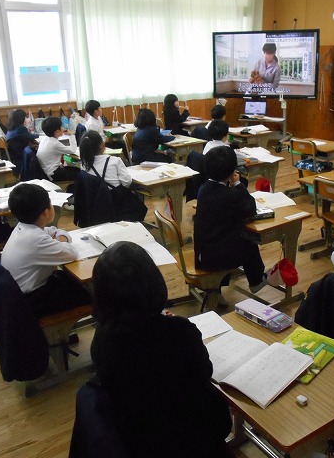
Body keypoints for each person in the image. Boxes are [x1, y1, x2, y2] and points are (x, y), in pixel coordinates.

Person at [90, 241, 233, 457]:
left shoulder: (101, 339)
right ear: (153, 283)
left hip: (137, 438)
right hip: (192, 435)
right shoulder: (180, 332)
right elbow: (204, 372)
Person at [0, 183, 89, 318]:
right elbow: (72, 253)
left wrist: (59, 239)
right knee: (89, 292)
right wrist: (61, 241)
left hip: (19, 294)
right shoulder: (35, 239)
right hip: (32, 300)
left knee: (68, 279)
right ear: (46, 212)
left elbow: (53, 231)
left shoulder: (24, 227)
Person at [194, 146, 266, 295]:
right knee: (248, 240)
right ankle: (256, 281)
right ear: (231, 171)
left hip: (202, 251)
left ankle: (216, 291)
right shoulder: (231, 195)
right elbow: (250, 207)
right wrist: (238, 184)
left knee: (227, 236)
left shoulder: (203, 188)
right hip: (216, 258)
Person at [37, 116, 79, 182]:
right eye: (62, 126)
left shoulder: (45, 139)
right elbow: (72, 150)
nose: (63, 128)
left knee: (75, 166)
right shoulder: (55, 143)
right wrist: (71, 135)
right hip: (54, 174)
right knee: (79, 173)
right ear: (57, 131)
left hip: (48, 170)